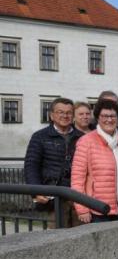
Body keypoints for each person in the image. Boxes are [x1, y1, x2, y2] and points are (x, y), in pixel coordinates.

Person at [71, 99, 118, 223]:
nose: (109, 119)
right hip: (98, 208)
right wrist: (82, 209)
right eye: (104, 116)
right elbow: (77, 179)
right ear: (97, 118)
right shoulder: (86, 141)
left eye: (113, 116)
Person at [24, 97, 84, 226]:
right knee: (57, 236)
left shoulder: (82, 137)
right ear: (52, 115)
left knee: (81, 236)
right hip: (53, 197)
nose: (65, 115)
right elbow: (31, 165)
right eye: (60, 112)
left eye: (68, 112)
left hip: (78, 196)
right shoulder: (40, 136)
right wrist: (36, 191)